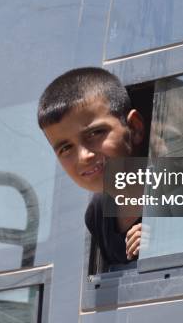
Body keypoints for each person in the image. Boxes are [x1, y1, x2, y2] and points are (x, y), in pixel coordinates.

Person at [37, 67, 145, 265]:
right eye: (66, 148)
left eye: (95, 134)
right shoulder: (98, 214)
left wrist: (167, 242)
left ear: (135, 128)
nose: (84, 156)